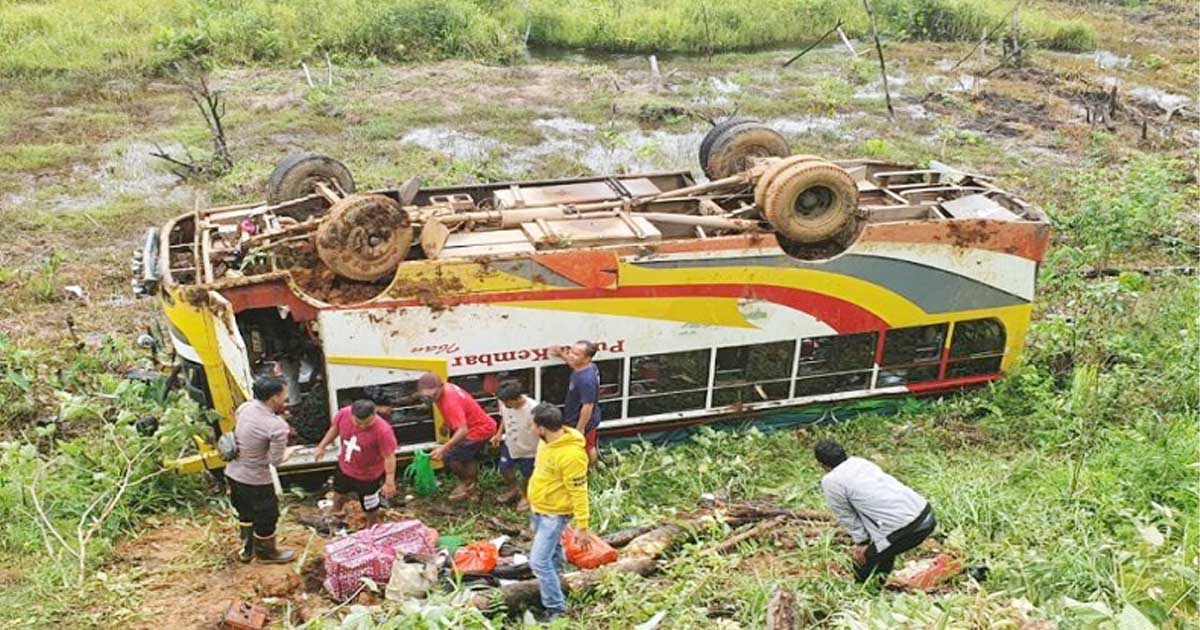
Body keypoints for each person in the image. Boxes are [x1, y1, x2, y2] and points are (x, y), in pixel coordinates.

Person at [815, 439, 937, 582]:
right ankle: (879, 585)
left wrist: (862, 544)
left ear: (821, 464)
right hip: (925, 512)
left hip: (907, 528)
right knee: (882, 547)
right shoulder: (860, 462)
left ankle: (862, 593)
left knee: (864, 559)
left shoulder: (831, 481)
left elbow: (846, 515)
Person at [526, 403, 601, 621]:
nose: (530, 428)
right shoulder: (546, 443)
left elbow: (579, 492)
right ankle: (559, 584)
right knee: (553, 552)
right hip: (539, 508)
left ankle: (556, 610)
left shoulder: (571, 455)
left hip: (554, 514)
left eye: (532, 425)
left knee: (538, 562)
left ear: (541, 428)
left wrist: (583, 526)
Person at [225, 376, 300, 563]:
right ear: (274, 397)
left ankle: (247, 549)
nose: (286, 397)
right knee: (267, 516)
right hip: (256, 480)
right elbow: (275, 461)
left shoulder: (245, 408)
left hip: (233, 473)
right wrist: (289, 452)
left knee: (245, 511)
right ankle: (266, 554)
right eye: (284, 393)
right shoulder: (277, 426)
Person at [313, 399, 398, 527]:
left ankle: (372, 526)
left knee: (370, 505)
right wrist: (322, 446)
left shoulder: (383, 431)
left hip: (369, 475)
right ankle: (336, 513)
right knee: (339, 492)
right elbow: (335, 429)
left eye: (367, 423)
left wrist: (389, 481)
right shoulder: (343, 414)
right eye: (358, 423)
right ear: (351, 415)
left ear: (374, 415)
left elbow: (389, 457)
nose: (362, 427)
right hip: (345, 466)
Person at [417, 372, 497, 501]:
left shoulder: (450, 401)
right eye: (427, 396)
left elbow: (462, 431)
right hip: (481, 425)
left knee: (451, 457)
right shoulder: (446, 389)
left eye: (434, 394)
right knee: (467, 456)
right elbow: (457, 411)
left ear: (441, 387)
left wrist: (444, 448)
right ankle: (472, 485)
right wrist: (446, 422)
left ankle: (466, 483)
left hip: (478, 430)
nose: (432, 398)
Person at [490, 380, 539, 511]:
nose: (505, 405)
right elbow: (505, 419)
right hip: (511, 443)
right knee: (504, 468)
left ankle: (527, 496)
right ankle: (514, 489)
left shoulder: (533, 409)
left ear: (517, 399)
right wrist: (499, 434)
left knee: (527, 475)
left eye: (508, 403)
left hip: (529, 449)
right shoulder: (504, 402)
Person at [554, 340, 602, 466]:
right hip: (574, 415)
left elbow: (588, 406)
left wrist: (580, 429)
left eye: (576, 354)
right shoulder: (587, 366)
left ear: (587, 358)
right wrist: (561, 354)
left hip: (584, 421)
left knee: (588, 446)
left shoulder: (586, 380)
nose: (571, 355)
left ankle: (592, 469)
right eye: (571, 351)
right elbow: (574, 364)